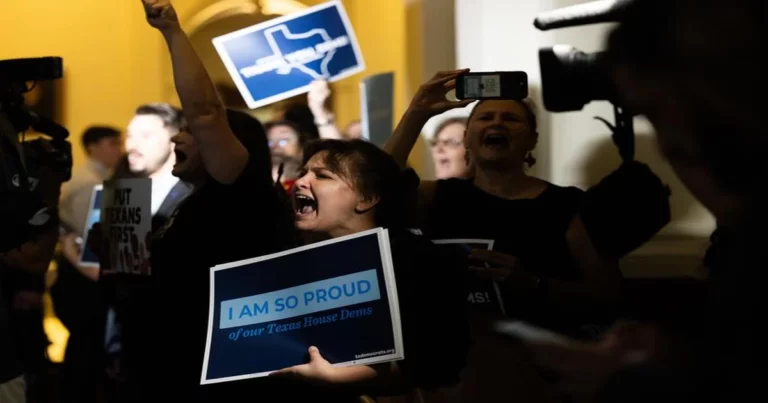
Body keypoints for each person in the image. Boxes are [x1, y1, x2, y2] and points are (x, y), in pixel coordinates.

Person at [514, 0, 768, 402]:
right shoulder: (742, 244)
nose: (666, 145)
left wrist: (626, 384)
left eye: (661, 114)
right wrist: (676, 351)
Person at [99, 2, 298, 402]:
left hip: (213, 375)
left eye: (190, 133)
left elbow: (206, 112)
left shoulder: (239, 196)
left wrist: (172, 31)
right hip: (165, 367)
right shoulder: (193, 202)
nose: (178, 138)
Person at [385, 71, 621, 402]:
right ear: (467, 138)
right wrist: (417, 113)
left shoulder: (569, 205)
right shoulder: (436, 197)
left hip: (539, 366)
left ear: (532, 139)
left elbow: (607, 295)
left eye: (510, 118)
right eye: (486, 118)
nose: (497, 123)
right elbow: (378, 183)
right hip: (456, 367)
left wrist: (532, 283)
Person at [273, 139, 470, 399]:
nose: (301, 181)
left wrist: (344, 377)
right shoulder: (291, 264)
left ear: (367, 198)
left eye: (322, 176)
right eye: (303, 172)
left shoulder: (422, 262)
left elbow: (439, 364)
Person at [59, 125, 122, 236]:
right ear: (93, 147)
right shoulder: (90, 182)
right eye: (113, 143)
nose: (120, 149)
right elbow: (88, 230)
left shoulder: (92, 175)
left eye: (120, 144)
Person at [265, 120, 310, 191]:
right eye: (270, 141)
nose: (274, 146)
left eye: (283, 141)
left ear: (300, 144)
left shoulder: (307, 181)